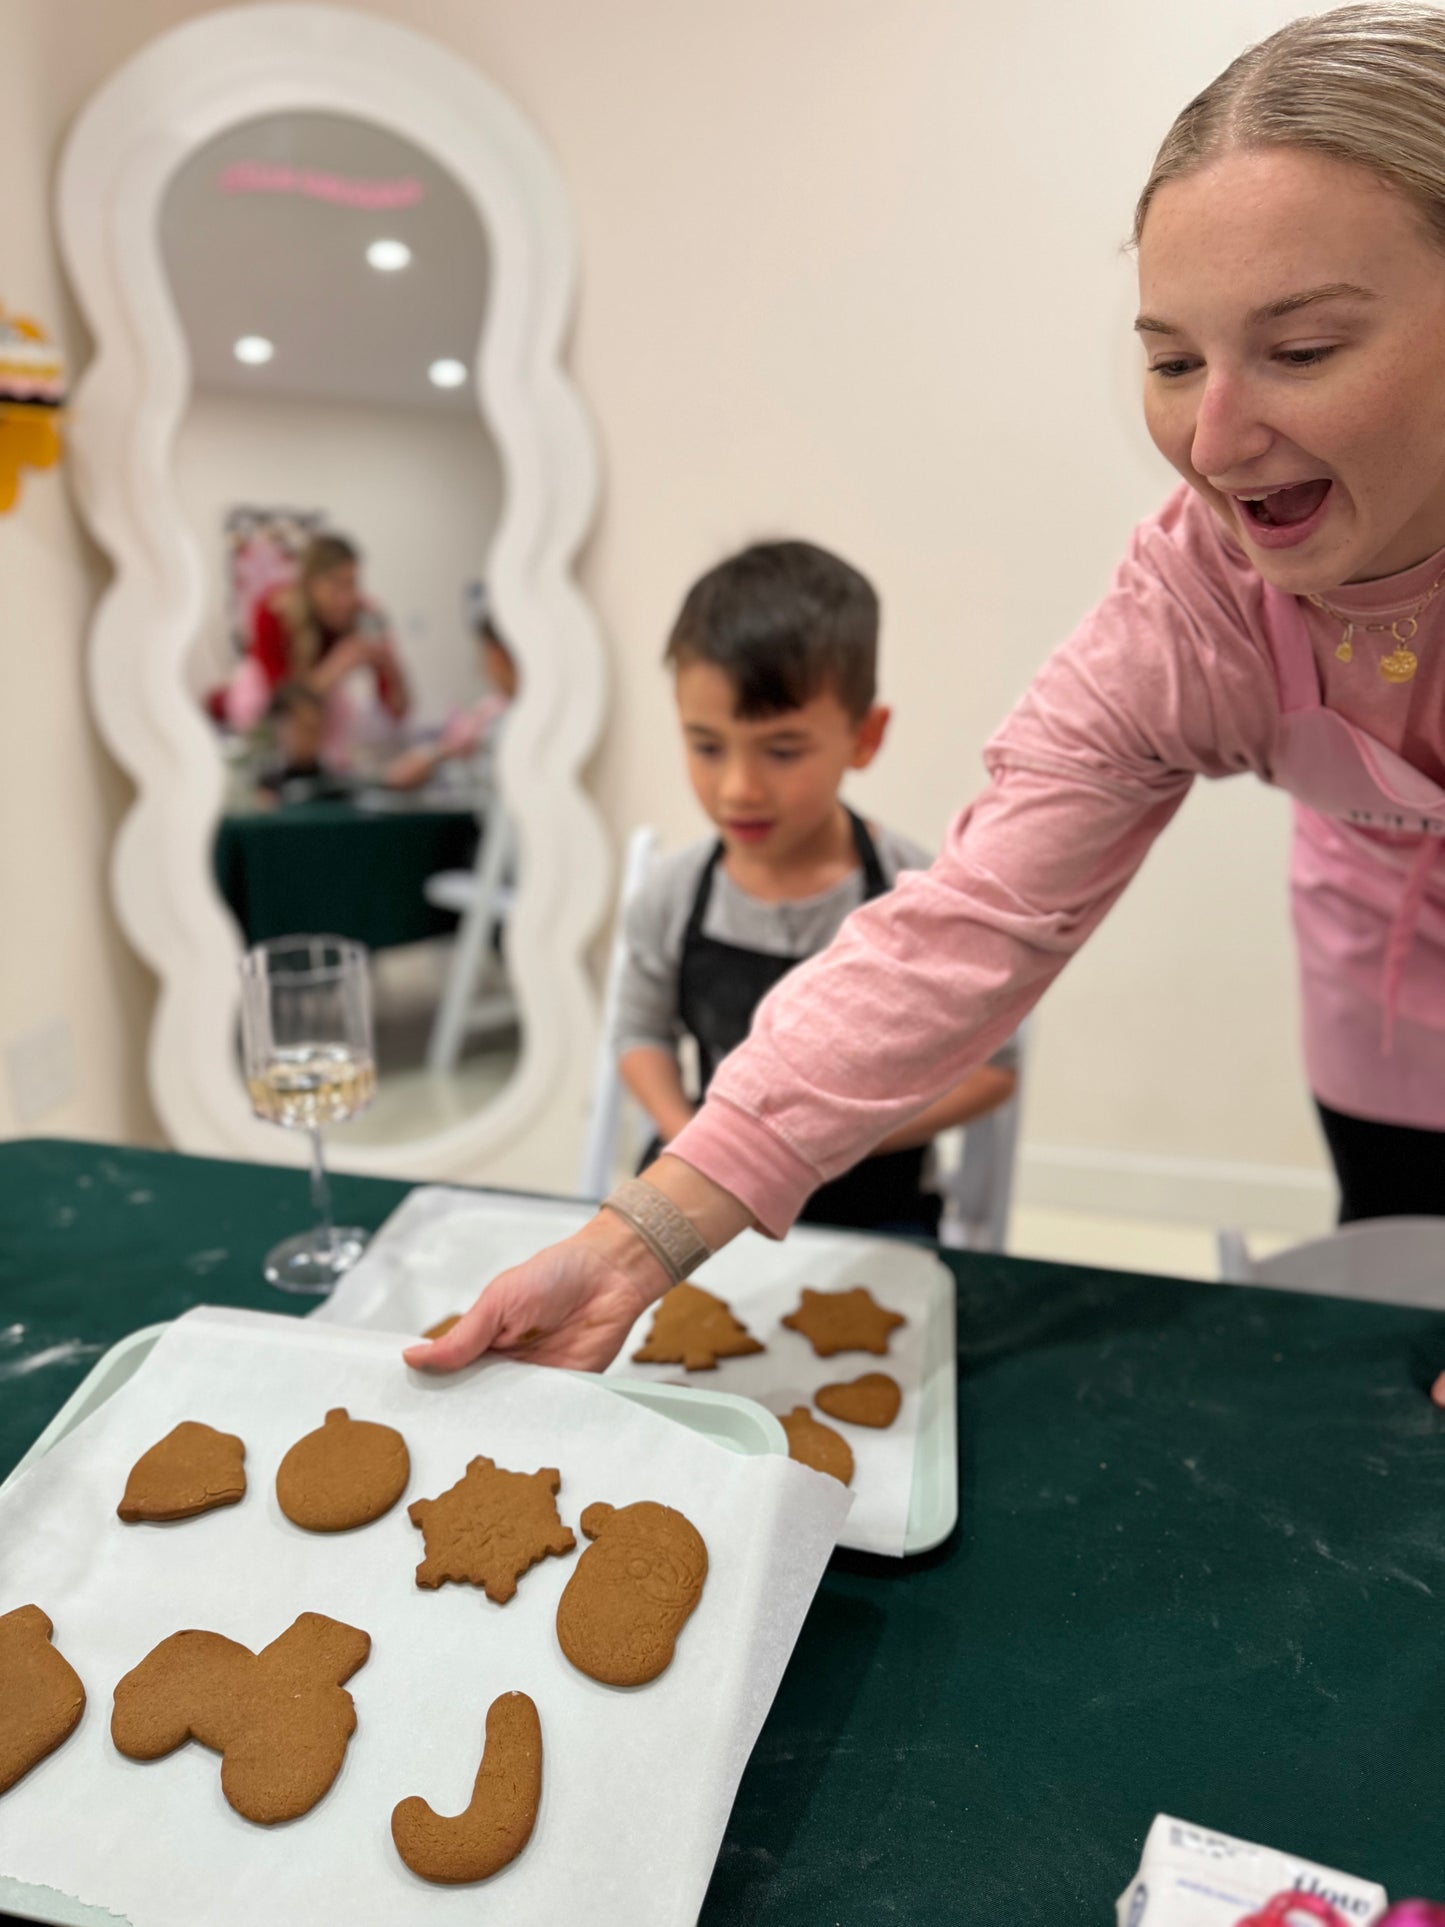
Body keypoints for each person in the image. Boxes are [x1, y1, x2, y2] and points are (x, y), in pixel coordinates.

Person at [404, 2, 1445, 1388]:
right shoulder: (1195, 607)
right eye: (1173, 359)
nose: (1210, 439)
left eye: (1302, 349)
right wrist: (638, 1234)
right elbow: (966, 925)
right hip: (1378, 975)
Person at [613, 540, 1017, 1237]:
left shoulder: (915, 896)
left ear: (864, 736)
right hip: (702, 1183)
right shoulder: (671, 894)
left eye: (781, 750)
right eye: (707, 746)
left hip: (871, 1199)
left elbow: (992, 1071)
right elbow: (639, 1033)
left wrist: (826, 1144)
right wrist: (695, 1142)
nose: (738, 786)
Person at [231, 533, 411, 760]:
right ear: (309, 583)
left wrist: (391, 666)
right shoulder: (273, 611)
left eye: (352, 583)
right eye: (335, 584)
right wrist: (340, 663)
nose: (346, 598)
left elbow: (398, 711)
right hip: (267, 712)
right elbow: (283, 707)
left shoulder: (364, 615)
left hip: (324, 715)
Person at [384, 585, 517, 791]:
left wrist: (433, 765)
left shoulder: (514, 722)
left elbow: (485, 776)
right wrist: (435, 756)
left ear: (496, 655)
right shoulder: (503, 713)